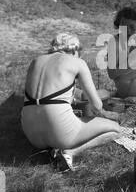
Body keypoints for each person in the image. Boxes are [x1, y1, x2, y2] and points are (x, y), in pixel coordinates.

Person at [21, 33, 120, 172]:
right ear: (74, 50)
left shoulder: (36, 61)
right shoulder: (77, 62)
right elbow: (97, 106)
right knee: (115, 129)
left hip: (31, 134)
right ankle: (70, 152)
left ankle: (53, 148)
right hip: (59, 130)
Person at [107, 6, 136, 98]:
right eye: (123, 27)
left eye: (132, 27)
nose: (128, 31)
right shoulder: (114, 42)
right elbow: (112, 74)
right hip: (127, 86)